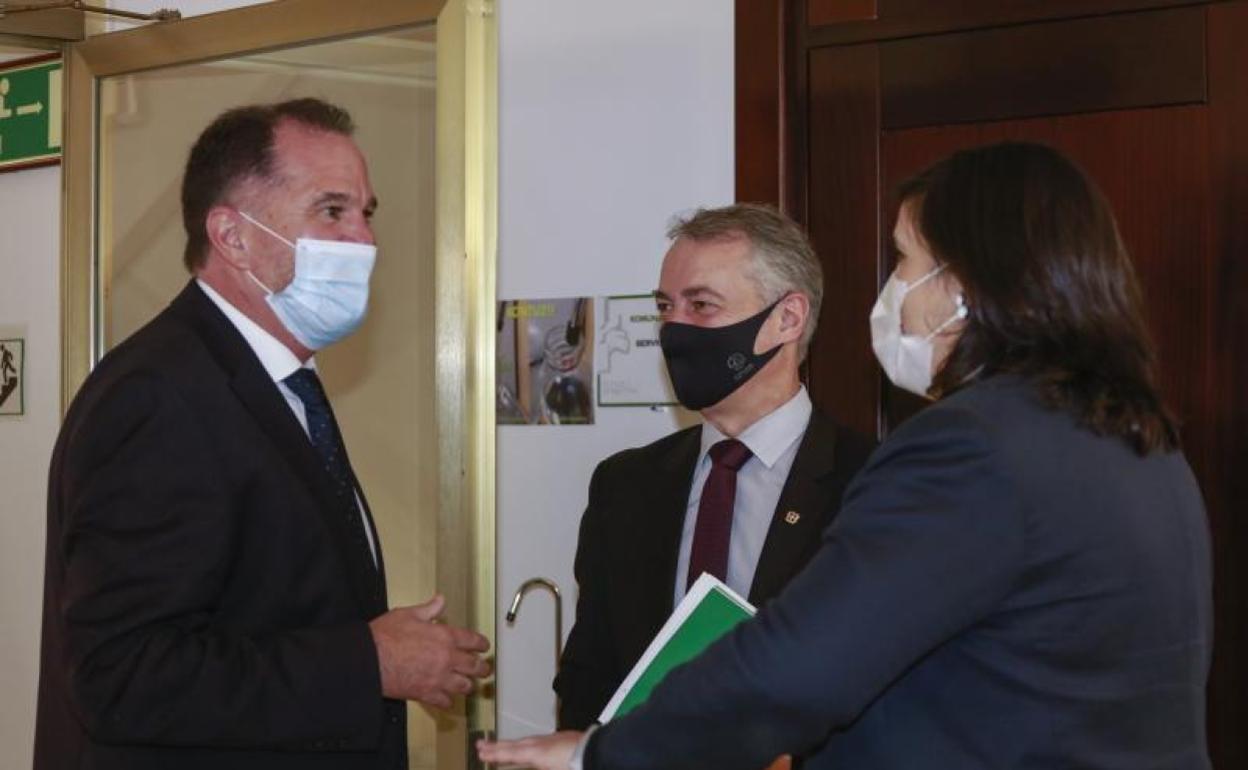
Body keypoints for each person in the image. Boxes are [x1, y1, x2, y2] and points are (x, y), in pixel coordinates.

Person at [479, 142, 1213, 769]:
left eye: (904, 260)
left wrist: (598, 755)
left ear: (965, 285)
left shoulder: (972, 447)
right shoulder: (1141, 445)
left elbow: (795, 672)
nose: (893, 290)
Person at [34, 98, 491, 769]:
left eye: (366, 213)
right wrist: (369, 661)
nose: (364, 241)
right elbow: (123, 675)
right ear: (233, 235)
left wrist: (376, 651)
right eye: (332, 210)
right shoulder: (159, 396)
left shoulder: (279, 381)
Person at [554, 204, 874, 731]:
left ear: (787, 319)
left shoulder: (872, 483)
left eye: (701, 305)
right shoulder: (625, 486)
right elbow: (588, 678)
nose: (674, 329)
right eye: (665, 307)